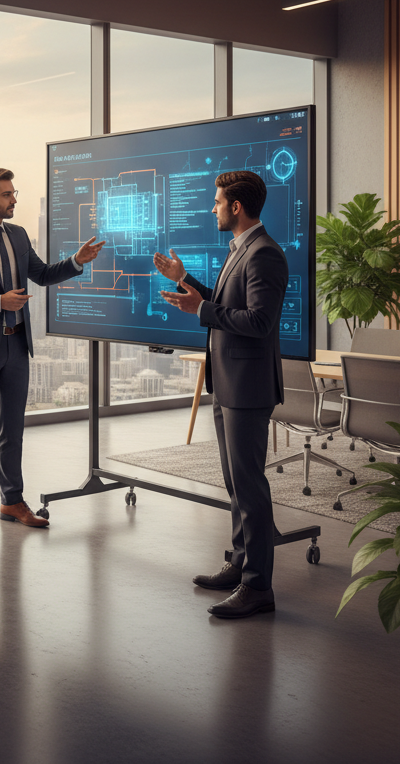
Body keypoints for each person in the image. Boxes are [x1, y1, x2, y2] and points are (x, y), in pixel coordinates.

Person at [0, 167, 104, 540]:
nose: (14, 199)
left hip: (16, 344)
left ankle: (12, 501)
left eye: (14, 193)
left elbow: (43, 274)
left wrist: (77, 262)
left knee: (13, 431)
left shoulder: (17, 234)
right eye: (7, 194)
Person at [154, 170, 288, 619]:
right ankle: (239, 564)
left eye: (217, 202)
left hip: (247, 387)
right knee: (235, 483)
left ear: (235, 207)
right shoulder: (241, 249)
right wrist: (186, 280)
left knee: (250, 485)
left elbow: (258, 322)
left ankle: (258, 587)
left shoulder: (264, 254)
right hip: (228, 381)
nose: (212, 208)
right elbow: (227, 305)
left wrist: (202, 309)